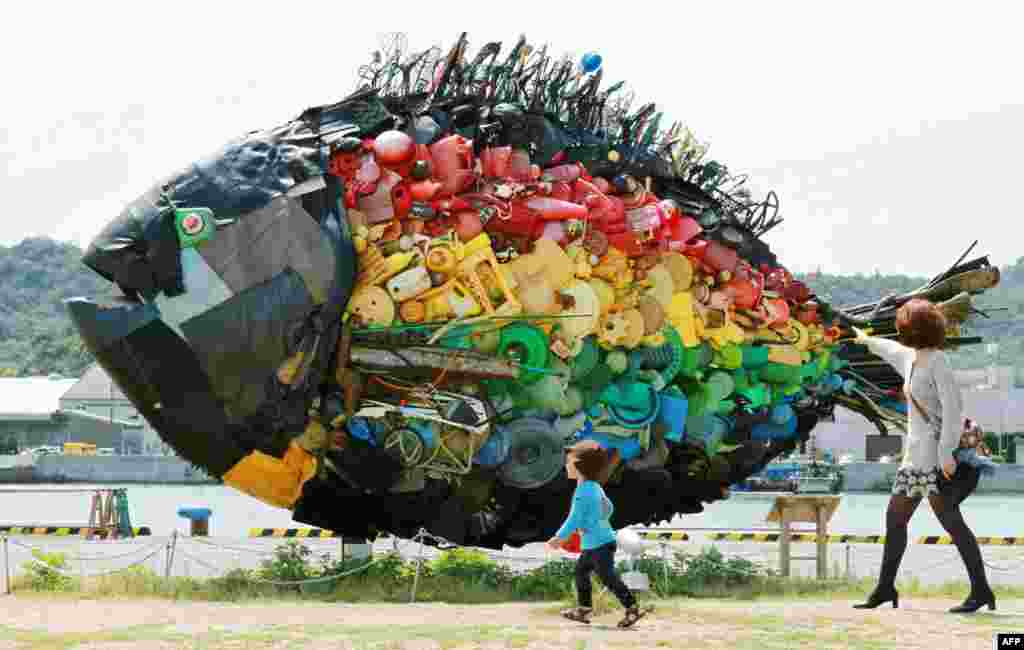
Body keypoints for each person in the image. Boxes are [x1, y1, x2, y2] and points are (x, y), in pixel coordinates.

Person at [851, 298, 995, 614]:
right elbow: (888, 349)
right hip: (915, 458)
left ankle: (981, 590)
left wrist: (946, 455)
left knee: (952, 524)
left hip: (934, 459)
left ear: (912, 329)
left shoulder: (937, 362)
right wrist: (862, 339)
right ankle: (885, 588)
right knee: (896, 519)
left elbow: (954, 411)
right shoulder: (914, 358)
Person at [547, 440, 646, 627]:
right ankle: (583, 609)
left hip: (599, 544)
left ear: (579, 467)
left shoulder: (583, 491)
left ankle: (632, 608)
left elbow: (574, 518)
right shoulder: (594, 487)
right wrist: (598, 521)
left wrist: (559, 538)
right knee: (581, 572)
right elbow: (609, 507)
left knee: (608, 577)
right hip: (596, 542)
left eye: (568, 462)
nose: (566, 465)